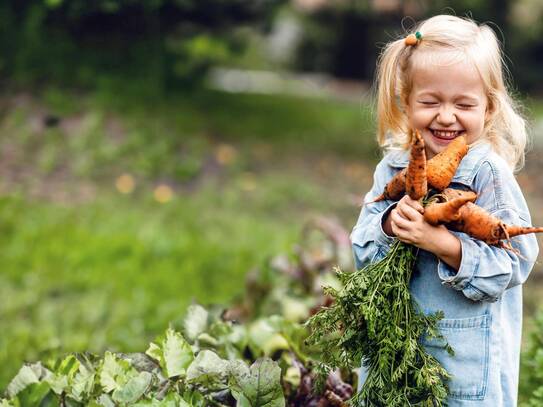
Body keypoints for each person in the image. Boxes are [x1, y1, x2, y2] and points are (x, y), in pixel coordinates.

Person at [350, 15, 539, 406]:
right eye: (431, 101)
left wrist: (443, 244)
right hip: (392, 355)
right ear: (407, 101)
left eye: (464, 104)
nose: (446, 116)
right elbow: (362, 249)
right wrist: (388, 223)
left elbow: (515, 264)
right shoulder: (393, 169)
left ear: (488, 108)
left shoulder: (488, 173)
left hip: (462, 371)